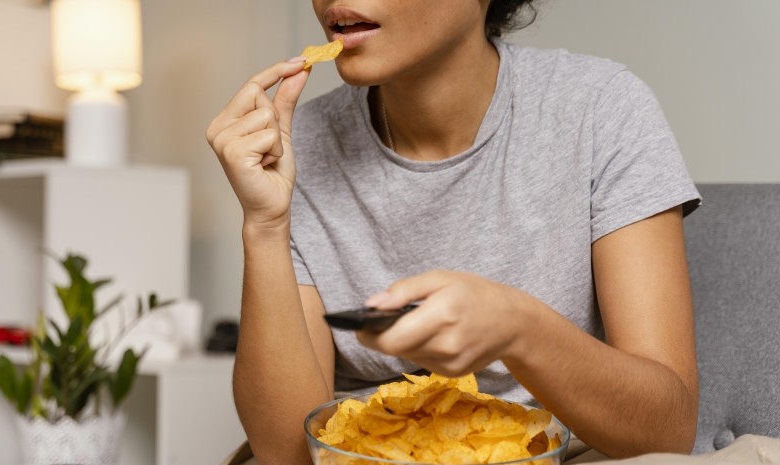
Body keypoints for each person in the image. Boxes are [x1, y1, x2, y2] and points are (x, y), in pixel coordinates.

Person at [206, 0, 701, 464]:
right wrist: (265, 225)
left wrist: (516, 328)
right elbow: (288, 455)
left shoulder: (601, 108)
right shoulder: (295, 144)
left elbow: (667, 431)